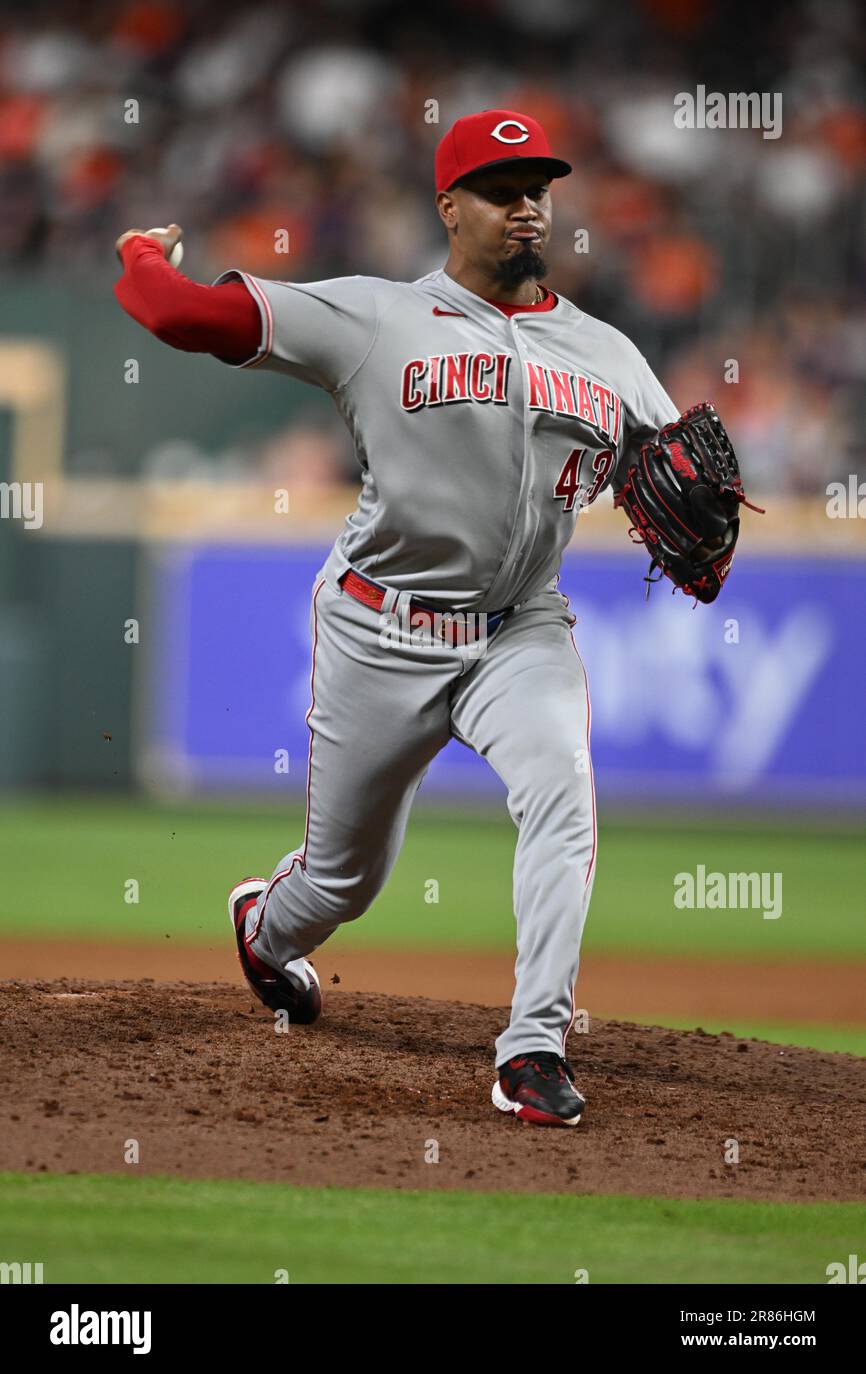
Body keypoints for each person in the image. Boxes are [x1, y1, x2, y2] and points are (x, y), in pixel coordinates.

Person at [115, 109, 679, 1128]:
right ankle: (265, 929)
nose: (524, 206)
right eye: (500, 189)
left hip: (521, 631)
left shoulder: (605, 352)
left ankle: (531, 1048)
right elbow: (185, 319)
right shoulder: (374, 316)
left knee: (561, 798)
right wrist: (139, 256)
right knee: (341, 883)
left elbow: (680, 476)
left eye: (536, 188)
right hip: (380, 628)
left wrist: (700, 504)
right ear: (446, 206)